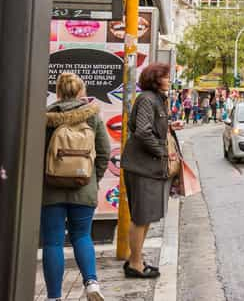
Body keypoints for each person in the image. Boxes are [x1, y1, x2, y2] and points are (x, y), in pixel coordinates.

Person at [43, 73, 110, 301]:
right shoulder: (92, 116)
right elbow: (104, 151)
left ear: (58, 92)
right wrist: (93, 179)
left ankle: (54, 297)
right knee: (82, 236)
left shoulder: (47, 117)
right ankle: (91, 282)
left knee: (53, 240)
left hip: (50, 189)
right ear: (81, 91)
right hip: (84, 186)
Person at [121, 62, 181, 279]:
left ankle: (136, 259)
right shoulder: (147, 99)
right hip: (142, 167)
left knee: (145, 216)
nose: (169, 79)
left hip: (148, 167)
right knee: (141, 216)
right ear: (156, 79)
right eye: (166, 76)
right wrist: (162, 152)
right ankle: (135, 264)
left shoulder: (157, 99)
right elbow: (143, 132)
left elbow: (148, 128)